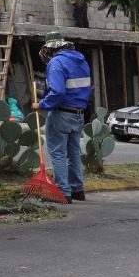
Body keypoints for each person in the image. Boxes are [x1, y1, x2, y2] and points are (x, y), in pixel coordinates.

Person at [33, 31, 92, 203]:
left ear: (50, 49)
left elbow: (57, 92)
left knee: (58, 153)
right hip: (79, 113)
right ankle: (77, 190)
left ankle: (62, 192)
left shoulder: (56, 62)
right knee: (73, 153)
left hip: (62, 113)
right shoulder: (81, 61)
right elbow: (86, 89)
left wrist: (41, 104)